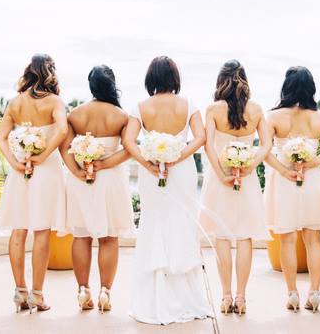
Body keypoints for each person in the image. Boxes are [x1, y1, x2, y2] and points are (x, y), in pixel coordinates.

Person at [122, 56, 213, 325]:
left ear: (151, 78)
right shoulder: (189, 104)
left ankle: (154, 297)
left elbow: (128, 141)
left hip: (152, 172)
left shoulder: (140, 106)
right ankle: (185, 297)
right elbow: (200, 137)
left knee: (153, 222)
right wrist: (177, 155)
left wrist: (148, 163)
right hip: (181, 170)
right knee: (182, 224)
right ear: (174, 78)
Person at [60, 65, 135, 313]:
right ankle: (105, 291)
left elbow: (64, 148)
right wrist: (103, 164)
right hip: (110, 179)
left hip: (81, 181)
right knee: (108, 237)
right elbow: (128, 150)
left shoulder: (75, 114)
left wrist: (78, 171)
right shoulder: (121, 116)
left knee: (81, 236)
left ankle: (83, 290)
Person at [264, 66, 320, 313]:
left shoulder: (273, 117)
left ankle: (292, 294)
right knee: (313, 240)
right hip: (312, 180)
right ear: (311, 88)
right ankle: (315, 294)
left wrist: (285, 170)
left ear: (286, 87)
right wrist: (310, 163)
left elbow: (264, 151)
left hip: (284, 181)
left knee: (286, 240)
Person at [0, 54, 68, 313]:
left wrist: (14, 163)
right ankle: (38, 294)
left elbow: (0, 136)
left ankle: (20, 292)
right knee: (41, 231)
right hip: (45, 171)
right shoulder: (55, 101)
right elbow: (62, 130)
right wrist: (44, 155)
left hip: (20, 173)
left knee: (19, 229)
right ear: (50, 72)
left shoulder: (15, 103)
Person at [200, 60, 271, 315]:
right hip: (247, 179)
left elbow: (207, 145)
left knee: (221, 235)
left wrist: (220, 174)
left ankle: (225, 296)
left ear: (221, 81)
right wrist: (251, 166)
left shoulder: (213, 109)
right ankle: (241, 298)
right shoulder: (256, 109)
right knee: (244, 236)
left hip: (220, 179)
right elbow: (266, 144)